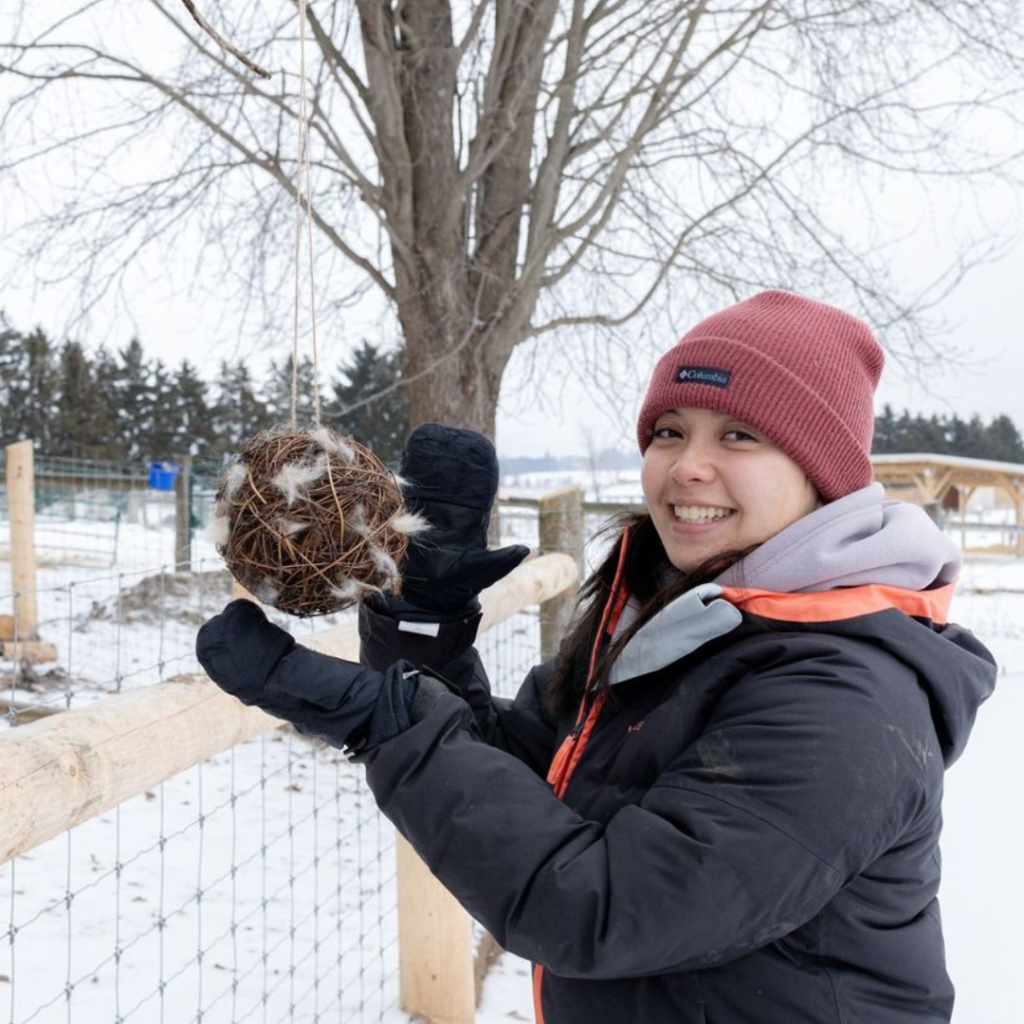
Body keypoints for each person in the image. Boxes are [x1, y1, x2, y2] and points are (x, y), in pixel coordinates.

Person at [197, 290, 997, 1024]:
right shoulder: (684, 620)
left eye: (740, 435)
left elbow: (599, 906)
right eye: (669, 431)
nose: (686, 464)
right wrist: (423, 629)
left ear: (822, 473)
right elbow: (531, 782)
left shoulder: (843, 697)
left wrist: (389, 724)